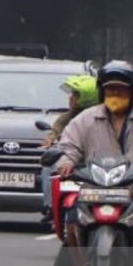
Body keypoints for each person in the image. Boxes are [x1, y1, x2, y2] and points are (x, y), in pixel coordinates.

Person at [54, 61, 133, 266]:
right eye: (110, 89)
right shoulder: (86, 119)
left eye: (121, 89)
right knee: (72, 219)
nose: (115, 94)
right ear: (102, 92)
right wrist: (66, 162)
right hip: (93, 191)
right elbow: (69, 146)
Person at [39, 75, 100, 218]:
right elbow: (57, 129)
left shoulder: (102, 116)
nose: (70, 98)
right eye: (72, 94)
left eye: (75, 95)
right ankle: (50, 207)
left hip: (98, 161)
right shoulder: (69, 117)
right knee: (49, 167)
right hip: (72, 158)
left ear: (87, 97)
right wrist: (50, 139)